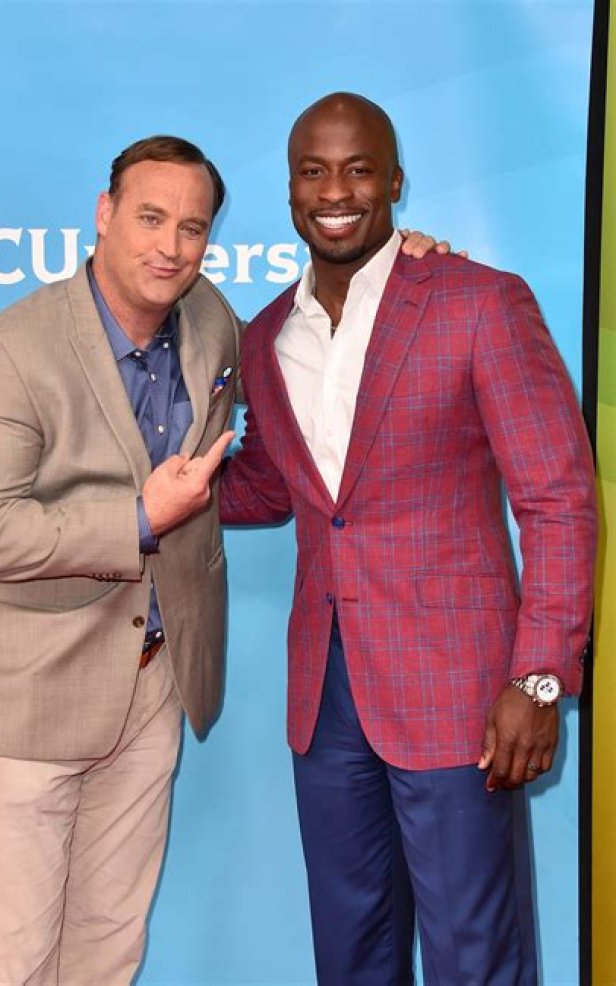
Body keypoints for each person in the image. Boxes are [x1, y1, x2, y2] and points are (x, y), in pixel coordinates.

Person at [0, 132, 448, 984]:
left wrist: (402, 262)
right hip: (27, 700)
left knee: (110, 946)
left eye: (192, 227)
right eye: (149, 218)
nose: (169, 246)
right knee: (11, 962)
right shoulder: (10, 349)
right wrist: (139, 518)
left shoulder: (210, 321)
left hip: (153, 688)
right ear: (104, 215)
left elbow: (308, 353)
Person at [220, 93, 597, 985]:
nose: (335, 191)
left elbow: (558, 500)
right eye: (314, 172)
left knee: (475, 954)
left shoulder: (480, 302)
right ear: (290, 189)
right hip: (324, 698)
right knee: (351, 952)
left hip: (459, 691)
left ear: (394, 182)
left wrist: (538, 678)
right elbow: (271, 485)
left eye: (358, 170)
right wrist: (144, 488)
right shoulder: (267, 336)